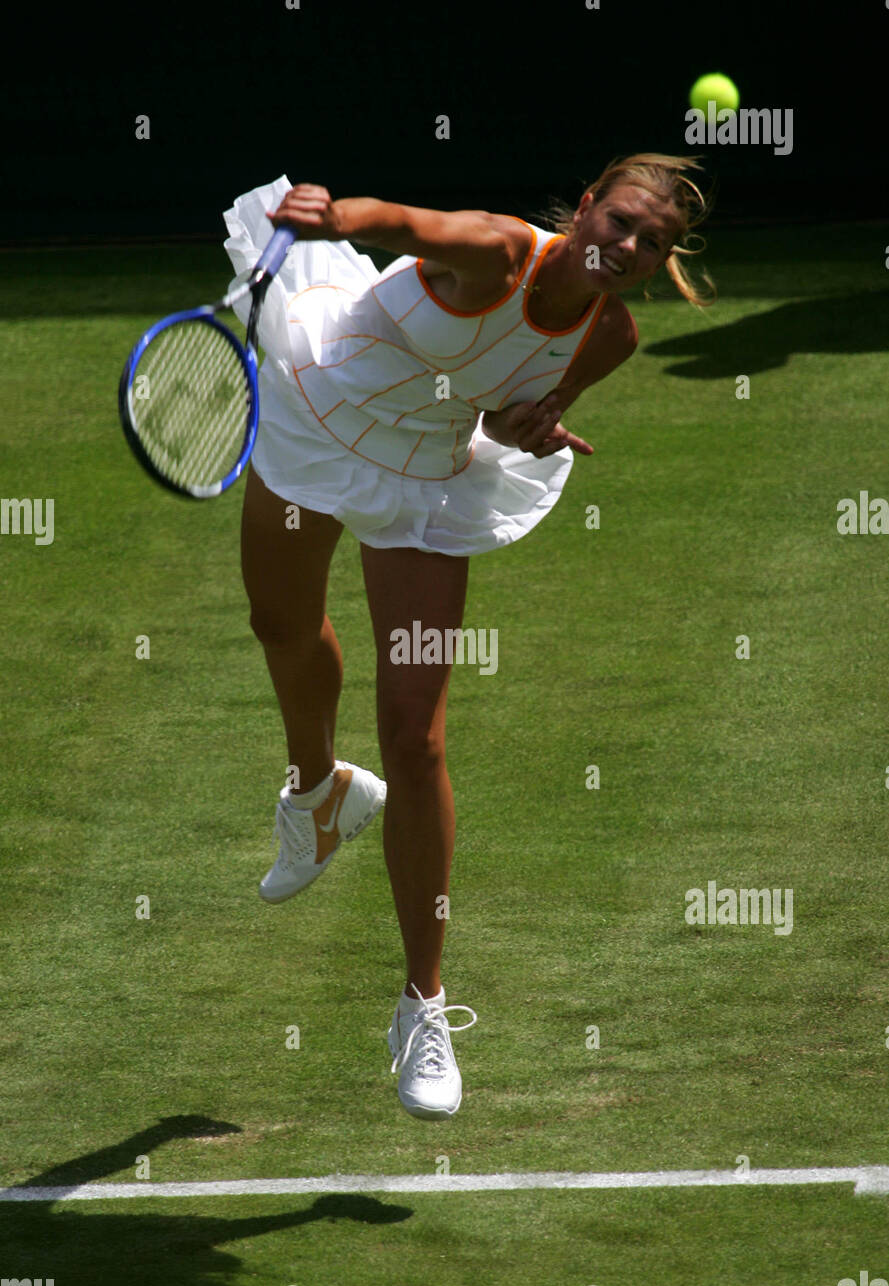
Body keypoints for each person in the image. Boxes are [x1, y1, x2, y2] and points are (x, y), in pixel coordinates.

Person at [223, 153, 714, 1121]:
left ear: (663, 262)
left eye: (650, 244)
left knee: (417, 733)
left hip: (422, 477)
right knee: (279, 622)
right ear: (583, 209)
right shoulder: (492, 251)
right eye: (618, 223)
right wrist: (335, 211)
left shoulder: (609, 337)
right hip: (320, 407)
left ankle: (424, 1005)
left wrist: (529, 428)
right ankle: (319, 794)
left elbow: (498, 403)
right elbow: (398, 219)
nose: (626, 248)